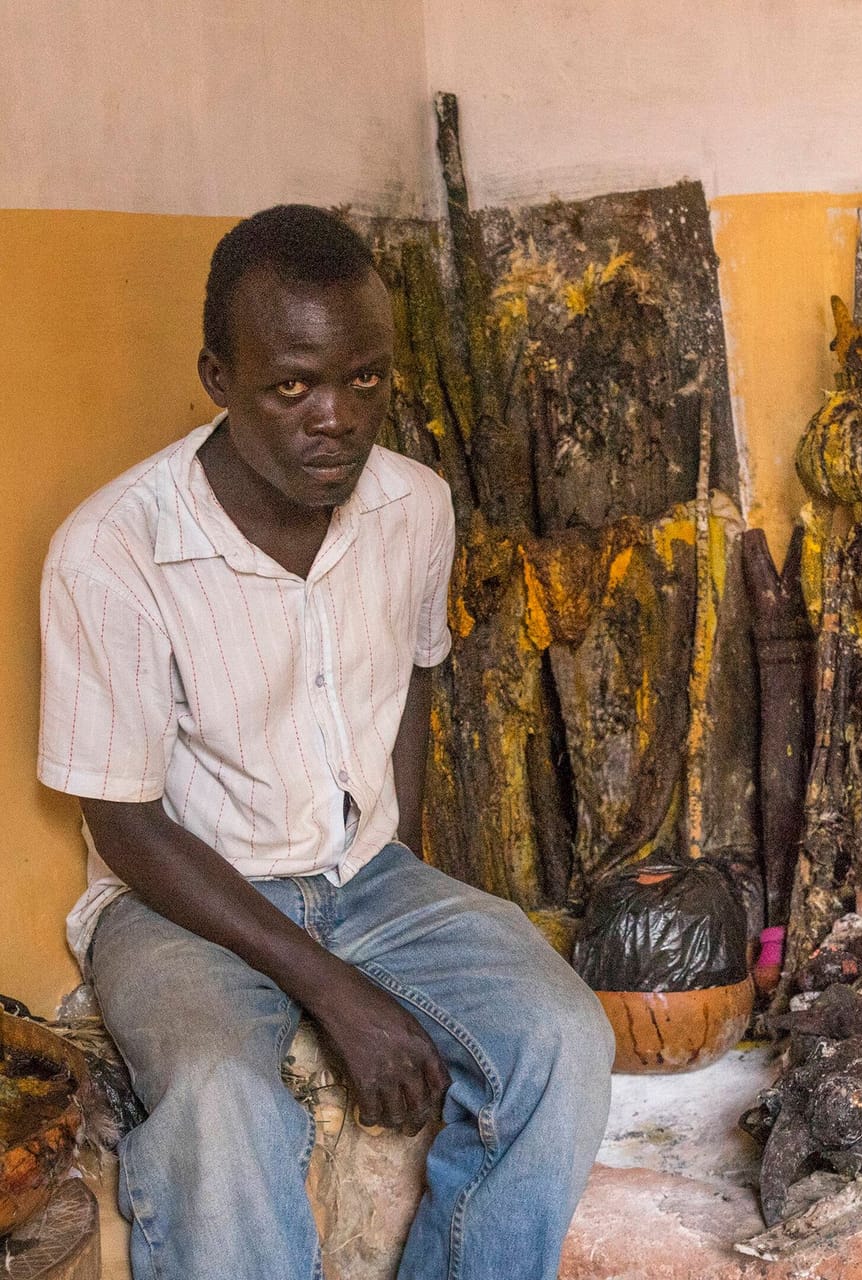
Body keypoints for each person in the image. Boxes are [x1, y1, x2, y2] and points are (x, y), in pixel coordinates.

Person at [37, 205, 613, 1280]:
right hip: (180, 900)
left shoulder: (414, 507)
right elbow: (122, 819)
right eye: (291, 385)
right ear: (218, 373)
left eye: (366, 380)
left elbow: (408, 690)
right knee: (220, 1102)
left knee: (563, 1036)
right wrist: (336, 987)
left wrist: (405, 879)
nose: (335, 419)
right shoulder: (112, 551)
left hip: (370, 879)